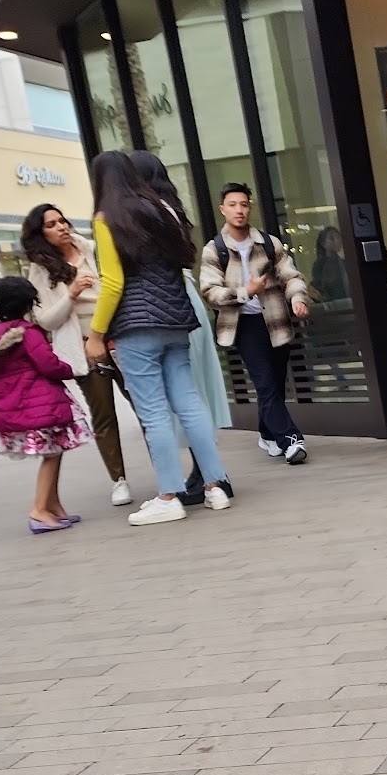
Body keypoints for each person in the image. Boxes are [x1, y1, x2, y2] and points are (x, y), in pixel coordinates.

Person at [85, 150, 231, 527]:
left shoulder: (106, 219)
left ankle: (169, 496)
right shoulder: (163, 210)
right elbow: (183, 260)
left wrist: (97, 333)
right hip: (175, 320)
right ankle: (215, 486)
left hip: (135, 326)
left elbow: (113, 281)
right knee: (189, 401)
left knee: (153, 412)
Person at [126, 152, 234, 508]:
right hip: (182, 303)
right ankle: (212, 478)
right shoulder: (172, 210)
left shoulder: (138, 213)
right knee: (192, 393)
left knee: (168, 402)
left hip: (154, 309)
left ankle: (191, 481)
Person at [20, 201, 131, 506]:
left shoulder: (92, 250)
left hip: (119, 339)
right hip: (84, 348)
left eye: (62, 220)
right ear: (40, 234)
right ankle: (118, 480)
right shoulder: (41, 270)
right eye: (52, 224)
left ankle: (164, 469)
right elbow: (44, 320)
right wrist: (71, 293)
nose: (62, 227)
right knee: (104, 414)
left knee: (145, 406)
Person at [199, 182, 310, 465]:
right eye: (233, 205)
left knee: (274, 383)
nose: (239, 210)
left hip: (276, 320)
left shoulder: (268, 243)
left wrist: (297, 298)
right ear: (222, 209)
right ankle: (290, 439)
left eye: (244, 204)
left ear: (250, 207)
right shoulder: (215, 249)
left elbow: (291, 275)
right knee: (264, 382)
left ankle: (267, 433)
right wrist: (244, 293)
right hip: (244, 324)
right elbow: (209, 291)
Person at [0, 274, 88, 534]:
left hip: (11, 403)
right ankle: (38, 510)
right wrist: (71, 369)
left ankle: (53, 505)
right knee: (52, 454)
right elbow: (48, 364)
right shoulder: (28, 333)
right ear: (29, 304)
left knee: (54, 453)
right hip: (39, 403)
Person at [312, 225, 350, 305]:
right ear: (323, 243)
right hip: (331, 305)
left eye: (338, 237)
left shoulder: (344, 262)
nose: (337, 241)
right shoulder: (319, 265)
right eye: (332, 238)